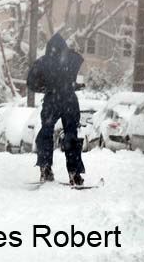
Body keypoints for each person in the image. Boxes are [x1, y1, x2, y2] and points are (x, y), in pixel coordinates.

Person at [27, 33, 85, 185]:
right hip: (70, 100)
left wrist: (45, 87)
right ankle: (74, 172)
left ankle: (45, 167)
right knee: (71, 135)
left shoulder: (42, 62)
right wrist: (72, 85)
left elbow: (31, 83)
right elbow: (70, 77)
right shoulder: (73, 59)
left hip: (52, 100)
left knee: (46, 132)